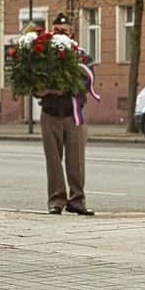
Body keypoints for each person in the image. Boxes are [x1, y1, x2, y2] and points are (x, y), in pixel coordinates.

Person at [36, 12, 96, 216]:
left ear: (71, 32)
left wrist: (68, 89)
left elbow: (88, 81)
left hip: (73, 114)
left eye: (65, 30)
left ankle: (77, 200)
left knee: (76, 160)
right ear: (51, 31)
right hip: (50, 113)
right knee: (53, 160)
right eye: (57, 30)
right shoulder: (43, 54)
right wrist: (40, 89)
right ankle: (56, 200)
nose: (60, 33)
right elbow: (32, 78)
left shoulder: (80, 55)